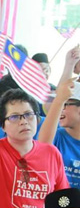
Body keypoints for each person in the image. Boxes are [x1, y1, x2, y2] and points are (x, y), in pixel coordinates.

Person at [38, 48, 80, 189]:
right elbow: (42, 147)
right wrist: (69, 64)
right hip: (58, 205)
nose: (60, 108)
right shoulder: (56, 136)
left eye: (66, 104)